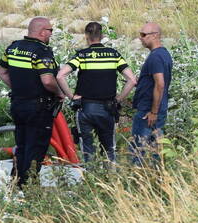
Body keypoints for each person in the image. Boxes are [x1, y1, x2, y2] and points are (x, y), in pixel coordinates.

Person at [0, 16, 64, 187]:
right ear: (42, 32)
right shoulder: (42, 51)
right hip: (38, 107)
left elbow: (1, 70)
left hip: (18, 104)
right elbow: (47, 80)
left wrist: (18, 88)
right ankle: (28, 186)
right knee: (36, 147)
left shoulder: (14, 47)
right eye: (50, 30)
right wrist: (60, 92)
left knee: (22, 145)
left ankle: (16, 182)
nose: (51, 34)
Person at [56, 21, 137, 164]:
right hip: (108, 109)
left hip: (85, 108)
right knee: (109, 149)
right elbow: (132, 79)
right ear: (102, 36)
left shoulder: (82, 55)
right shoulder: (113, 55)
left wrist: (72, 96)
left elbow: (60, 75)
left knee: (88, 150)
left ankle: (90, 180)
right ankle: (110, 181)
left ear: (86, 36)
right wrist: (119, 98)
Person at [130, 22, 173, 165]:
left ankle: (136, 181)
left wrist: (153, 112)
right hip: (158, 109)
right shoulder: (164, 54)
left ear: (155, 35)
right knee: (156, 150)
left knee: (138, 150)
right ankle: (157, 180)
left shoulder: (155, 57)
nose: (140, 38)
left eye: (143, 35)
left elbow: (160, 84)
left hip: (148, 112)